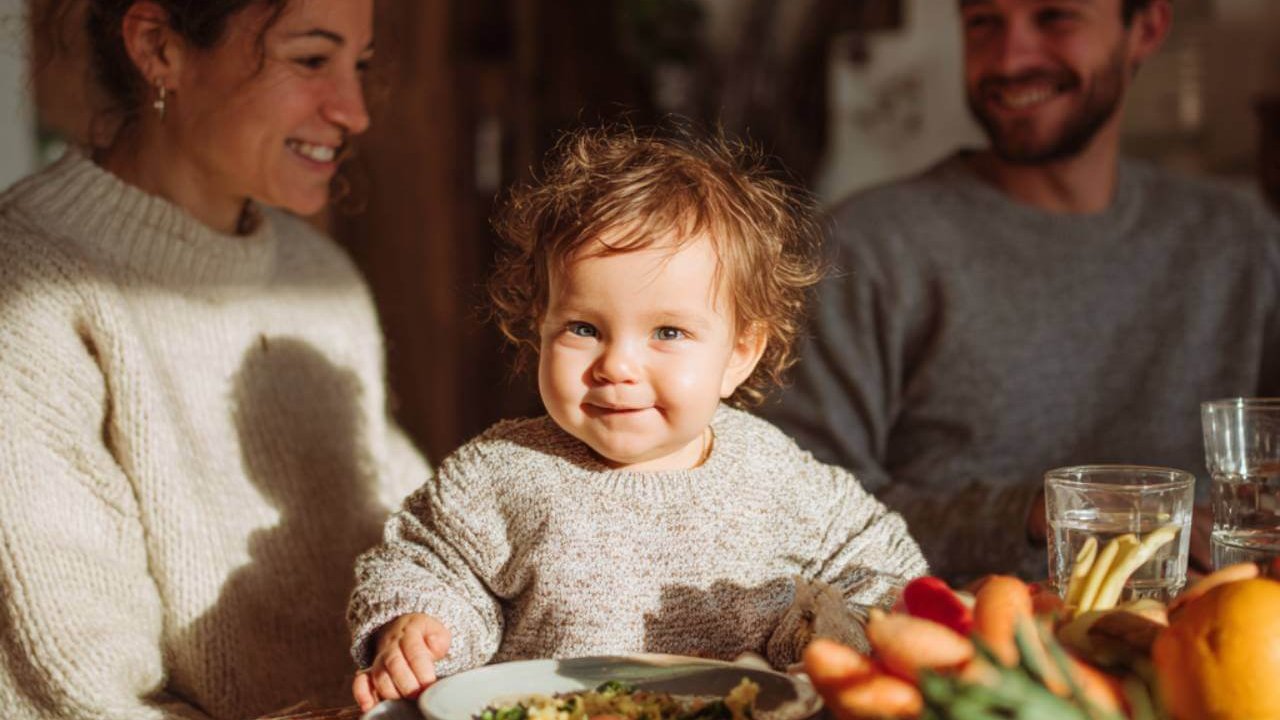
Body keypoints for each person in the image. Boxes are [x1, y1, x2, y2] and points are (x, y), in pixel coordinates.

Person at [346, 126, 928, 711]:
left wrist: (839, 635)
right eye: (583, 329)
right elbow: (427, 564)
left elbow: (879, 568)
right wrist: (419, 629)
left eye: (668, 332)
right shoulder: (500, 473)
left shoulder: (778, 476)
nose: (617, 365)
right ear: (539, 325)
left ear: (739, 355)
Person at [0, 1, 428, 718]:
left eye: (360, 65)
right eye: (311, 59)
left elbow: (428, 542)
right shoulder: (31, 291)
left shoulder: (319, 278)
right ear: (158, 48)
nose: (354, 111)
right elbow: (76, 688)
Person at [763, 0, 1280, 584]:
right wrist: (1033, 516)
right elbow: (790, 508)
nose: (1010, 59)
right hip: (958, 651)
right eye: (984, 23)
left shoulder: (1239, 239)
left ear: (1146, 29)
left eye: (1054, 17)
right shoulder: (863, 247)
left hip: (1218, 639)